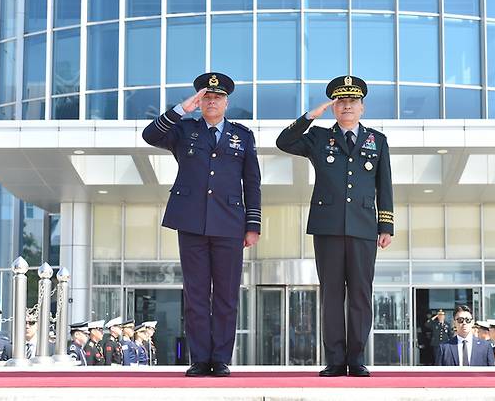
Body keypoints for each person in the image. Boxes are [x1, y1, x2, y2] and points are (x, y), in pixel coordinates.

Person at [142, 72, 261, 377]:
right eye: (206, 97)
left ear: (226, 102)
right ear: (199, 100)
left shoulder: (243, 136)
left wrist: (252, 225)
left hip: (230, 224)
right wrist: (182, 108)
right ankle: (199, 359)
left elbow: (252, 182)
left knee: (225, 295)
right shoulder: (183, 130)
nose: (211, 101)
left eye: (217, 97)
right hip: (191, 222)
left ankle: (220, 358)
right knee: (195, 294)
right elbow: (149, 135)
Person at [276, 75, 394, 377]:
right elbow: (284, 141)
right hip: (327, 227)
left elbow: (385, 186)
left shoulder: (377, 141)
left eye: (353, 102)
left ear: (362, 108)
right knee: (331, 294)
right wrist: (310, 115)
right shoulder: (317, 137)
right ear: (333, 108)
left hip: (364, 227)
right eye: (341, 102)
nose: (347, 107)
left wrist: (386, 225)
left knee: (360, 294)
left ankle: (356, 359)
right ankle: (335, 360)